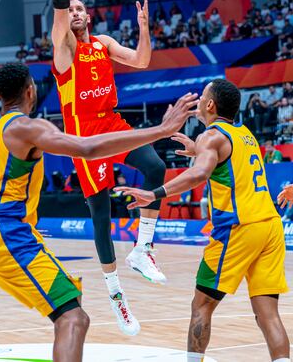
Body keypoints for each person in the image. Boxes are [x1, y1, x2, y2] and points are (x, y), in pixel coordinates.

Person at [0, 63, 197, 360]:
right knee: (74, 319)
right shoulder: (28, 127)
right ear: (31, 91)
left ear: (0, 96)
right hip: (3, 234)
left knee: (70, 298)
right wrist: (161, 130)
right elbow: (87, 149)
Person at [31, 0, 171, 335]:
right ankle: (115, 293)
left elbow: (143, 62)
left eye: (79, 8)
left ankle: (143, 249)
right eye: (68, 9)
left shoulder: (104, 44)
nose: (73, 12)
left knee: (156, 167)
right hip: (86, 139)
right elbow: (59, 0)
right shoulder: (64, 50)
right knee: (100, 213)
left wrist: (144, 27)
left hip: (113, 123)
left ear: (88, 15)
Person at [116, 79, 290, 362]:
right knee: (267, 312)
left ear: (210, 104)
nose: (197, 102)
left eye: (202, 97)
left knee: (202, 305)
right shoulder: (244, 134)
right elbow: (228, 162)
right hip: (270, 226)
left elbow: (199, 175)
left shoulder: (210, 136)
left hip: (239, 228)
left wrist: (154, 193)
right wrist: (199, 151)